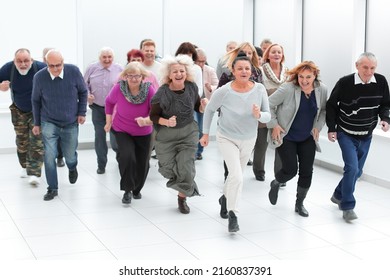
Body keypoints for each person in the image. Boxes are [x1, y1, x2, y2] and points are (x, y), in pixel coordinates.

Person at [200, 53, 270, 232]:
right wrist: (206, 134)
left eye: (247, 68)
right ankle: (233, 214)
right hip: (227, 137)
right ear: (233, 71)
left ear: (252, 71)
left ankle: (224, 199)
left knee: (233, 176)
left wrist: (259, 115)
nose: (244, 71)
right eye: (240, 68)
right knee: (237, 176)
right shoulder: (224, 90)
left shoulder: (260, 89)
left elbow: (268, 115)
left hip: (249, 138)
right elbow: (209, 110)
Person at [326, 52, 390, 222]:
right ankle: (347, 206)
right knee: (352, 168)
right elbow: (331, 105)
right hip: (345, 133)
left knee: (358, 171)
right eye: (365, 67)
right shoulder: (345, 82)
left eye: (372, 68)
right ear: (357, 66)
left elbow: (385, 104)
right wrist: (331, 128)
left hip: (366, 135)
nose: (369, 72)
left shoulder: (381, 81)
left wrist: (385, 119)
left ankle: (338, 194)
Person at [267, 61, 327, 217]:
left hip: (307, 137)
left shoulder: (322, 89)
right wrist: (274, 124)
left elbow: (323, 111)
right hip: (287, 136)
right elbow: (267, 104)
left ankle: (299, 203)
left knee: (307, 171)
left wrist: (317, 127)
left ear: (315, 76)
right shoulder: (288, 88)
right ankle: (277, 181)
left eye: (308, 77)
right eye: (301, 76)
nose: (304, 80)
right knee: (291, 170)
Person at [149, 54, 205, 214]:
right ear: (169, 75)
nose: (179, 74)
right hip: (167, 136)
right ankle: (186, 184)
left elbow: (196, 107)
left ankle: (182, 198)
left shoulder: (192, 87)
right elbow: (153, 116)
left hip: (188, 132)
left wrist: (202, 106)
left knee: (186, 166)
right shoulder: (162, 92)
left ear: (186, 72)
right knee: (168, 169)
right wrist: (166, 122)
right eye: (175, 72)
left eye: (182, 71)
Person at [32, 49, 88, 201]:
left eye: (59, 65)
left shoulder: (73, 71)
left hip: (70, 121)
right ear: (46, 63)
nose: (56, 69)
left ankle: (72, 166)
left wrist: (82, 112)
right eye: (52, 66)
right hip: (49, 121)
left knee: (70, 155)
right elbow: (36, 101)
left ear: (63, 62)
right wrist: (37, 123)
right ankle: (52, 188)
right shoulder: (39, 77)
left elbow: (83, 92)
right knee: (49, 155)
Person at [105, 62, 156, 204]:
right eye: (130, 76)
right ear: (125, 76)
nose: (134, 79)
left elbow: (156, 111)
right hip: (122, 129)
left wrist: (146, 120)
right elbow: (109, 102)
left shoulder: (149, 90)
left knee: (142, 162)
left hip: (144, 131)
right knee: (127, 157)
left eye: (137, 76)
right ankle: (127, 190)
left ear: (142, 77)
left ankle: (137, 189)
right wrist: (108, 122)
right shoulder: (118, 88)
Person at [0, 48, 46, 186]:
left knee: (37, 141)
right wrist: (1, 86)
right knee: (22, 142)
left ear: (31, 60)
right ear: (15, 61)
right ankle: (25, 166)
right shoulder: (9, 68)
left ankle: (34, 173)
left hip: (37, 110)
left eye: (26, 61)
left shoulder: (41, 68)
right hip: (18, 110)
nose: (23, 64)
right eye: (19, 61)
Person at [84, 47, 123, 174]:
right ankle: (101, 164)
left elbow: (125, 86)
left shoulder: (119, 69)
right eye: (104, 57)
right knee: (99, 137)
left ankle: (121, 159)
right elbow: (84, 84)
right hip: (98, 108)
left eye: (109, 57)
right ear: (99, 58)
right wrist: (88, 95)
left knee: (115, 138)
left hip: (115, 110)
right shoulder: (92, 68)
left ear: (113, 57)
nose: (107, 60)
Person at [253, 43, 289, 182]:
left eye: (279, 52)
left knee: (280, 142)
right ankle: (258, 170)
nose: (276, 54)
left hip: (282, 111)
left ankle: (280, 175)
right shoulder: (260, 71)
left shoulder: (288, 72)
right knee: (261, 143)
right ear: (267, 54)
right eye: (273, 52)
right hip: (265, 109)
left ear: (282, 55)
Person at [175, 42, 204, 160]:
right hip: (176, 103)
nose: (187, 58)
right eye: (184, 54)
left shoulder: (196, 69)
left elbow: (199, 88)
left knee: (195, 129)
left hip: (192, 104)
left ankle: (193, 153)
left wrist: (192, 100)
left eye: (190, 55)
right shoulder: (174, 67)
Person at [194, 48, 219, 160]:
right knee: (194, 127)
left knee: (201, 128)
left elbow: (217, 86)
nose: (201, 64)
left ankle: (199, 151)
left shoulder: (209, 70)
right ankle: (193, 152)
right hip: (192, 102)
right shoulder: (191, 70)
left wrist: (211, 88)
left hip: (204, 103)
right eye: (199, 61)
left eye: (203, 61)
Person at [43, 48, 65, 168]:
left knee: (59, 138)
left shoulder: (62, 72)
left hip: (60, 112)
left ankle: (60, 157)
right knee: (47, 139)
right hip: (45, 113)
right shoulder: (40, 74)